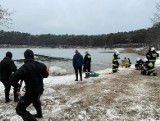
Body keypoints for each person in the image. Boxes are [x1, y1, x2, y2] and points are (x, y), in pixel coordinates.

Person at [10, 49, 49, 121]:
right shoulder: (41, 65)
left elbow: (12, 79)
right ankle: (39, 114)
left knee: (19, 109)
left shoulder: (23, 68)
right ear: (33, 56)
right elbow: (46, 75)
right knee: (36, 100)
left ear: (25, 57)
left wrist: (17, 85)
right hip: (40, 89)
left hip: (31, 92)